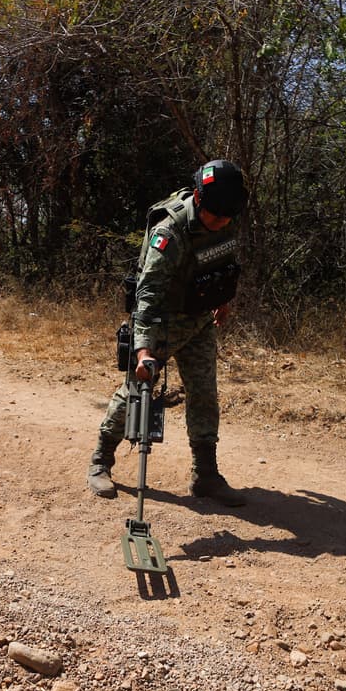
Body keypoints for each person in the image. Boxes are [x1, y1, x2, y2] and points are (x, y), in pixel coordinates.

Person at [88, 159, 250, 506]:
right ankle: (101, 460)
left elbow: (222, 259)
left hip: (199, 320)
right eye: (215, 216)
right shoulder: (170, 232)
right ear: (198, 198)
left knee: (205, 394)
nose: (221, 223)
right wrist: (143, 349)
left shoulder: (225, 214)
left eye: (227, 217)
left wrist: (224, 298)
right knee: (137, 390)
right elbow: (148, 294)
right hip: (161, 320)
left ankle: (206, 475)